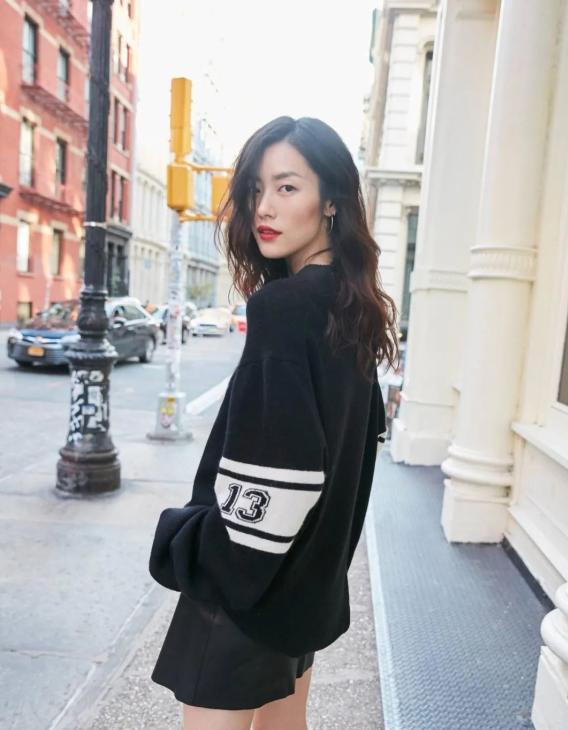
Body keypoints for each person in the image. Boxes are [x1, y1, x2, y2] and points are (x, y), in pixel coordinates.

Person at [148, 116, 399, 730]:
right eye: (258, 189)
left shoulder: (284, 310)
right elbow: (346, 461)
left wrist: (197, 550)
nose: (264, 206)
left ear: (331, 200)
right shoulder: (350, 310)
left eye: (288, 187)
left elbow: (278, 475)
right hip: (304, 586)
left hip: (248, 591)